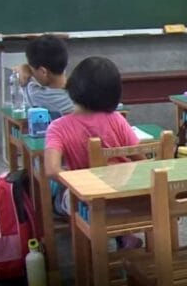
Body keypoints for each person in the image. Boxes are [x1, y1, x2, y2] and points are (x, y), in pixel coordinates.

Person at [45, 56, 145, 248]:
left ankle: (87, 239)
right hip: (126, 198)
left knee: (58, 199)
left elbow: (51, 170)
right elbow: (140, 159)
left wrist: (82, 185)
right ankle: (123, 234)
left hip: (89, 202)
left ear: (73, 86)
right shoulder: (116, 119)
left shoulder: (58, 127)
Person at [17, 34, 74, 116]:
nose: (33, 74)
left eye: (32, 71)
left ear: (43, 72)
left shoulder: (36, 95)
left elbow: (22, 79)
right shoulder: (80, 94)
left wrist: (24, 68)